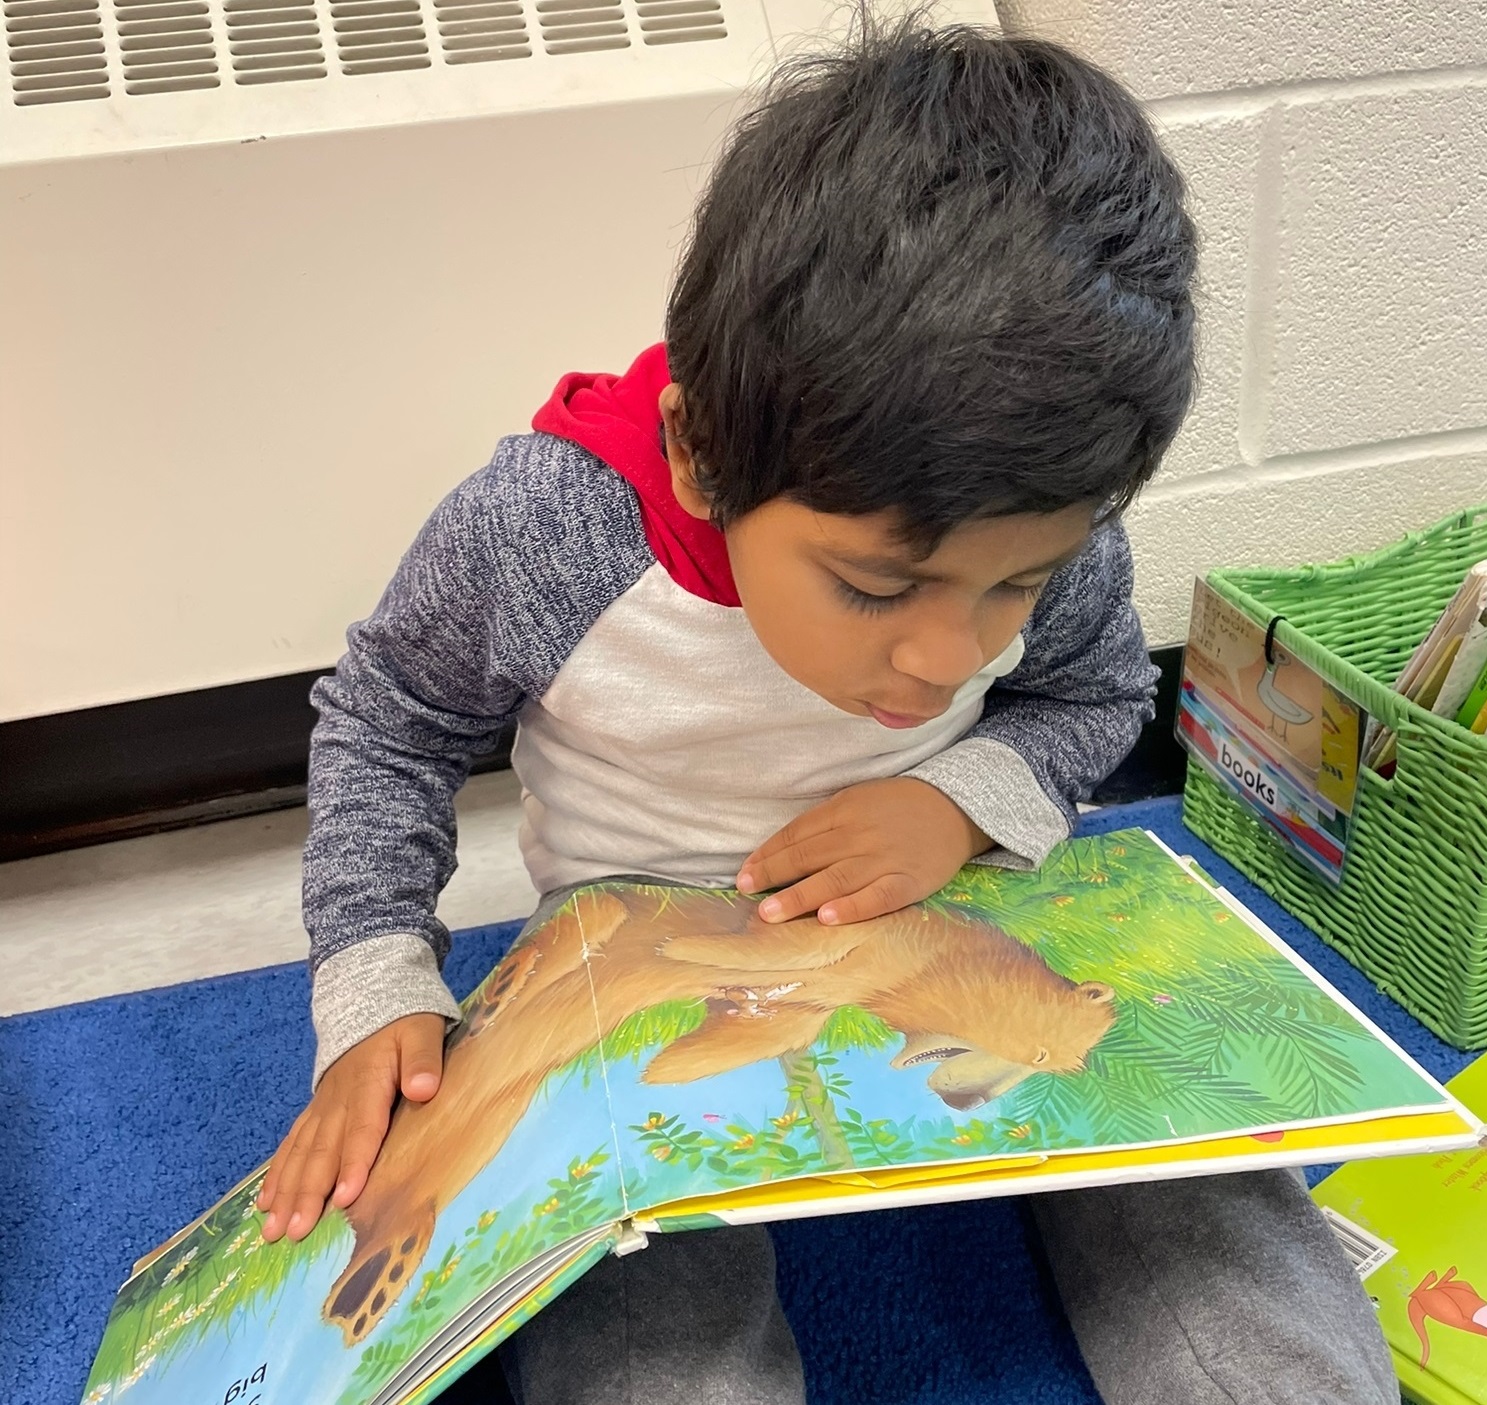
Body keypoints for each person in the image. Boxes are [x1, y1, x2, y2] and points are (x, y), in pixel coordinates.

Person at [258, 14, 1397, 1403]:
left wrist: (956, 803)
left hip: (959, 925)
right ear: (696, 455)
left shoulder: (1040, 514)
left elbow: (1093, 688)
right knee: (654, 1348)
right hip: (639, 969)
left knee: (1198, 1184)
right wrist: (376, 978)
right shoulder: (546, 528)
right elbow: (385, 721)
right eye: (875, 585)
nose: (939, 657)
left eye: (1010, 585)